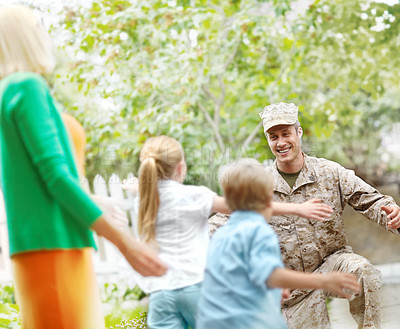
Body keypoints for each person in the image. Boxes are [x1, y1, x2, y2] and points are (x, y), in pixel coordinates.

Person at [0, 5, 166, 329]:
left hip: (43, 245)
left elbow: (35, 182)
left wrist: (92, 200)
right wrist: (126, 243)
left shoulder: (9, 91)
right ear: (22, 36)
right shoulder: (26, 86)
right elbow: (56, 179)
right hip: (56, 244)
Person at [127, 135, 334, 329]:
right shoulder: (193, 196)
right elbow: (244, 205)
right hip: (195, 287)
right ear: (181, 168)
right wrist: (297, 208)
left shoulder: (142, 201)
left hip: (159, 294)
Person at [257, 102, 400, 329]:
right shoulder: (258, 185)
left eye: (286, 133)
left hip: (333, 262)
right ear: (268, 141)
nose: (281, 142)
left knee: (362, 271)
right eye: (273, 137)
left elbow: (370, 200)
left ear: (299, 132)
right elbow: (228, 219)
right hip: (294, 287)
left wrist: (391, 213)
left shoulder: (329, 172)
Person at [196, 158, 360, 329]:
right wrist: (322, 281)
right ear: (268, 199)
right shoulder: (259, 232)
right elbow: (270, 275)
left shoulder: (221, 235)